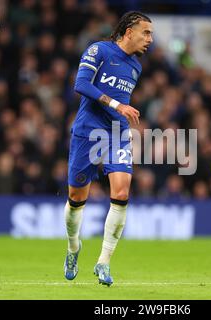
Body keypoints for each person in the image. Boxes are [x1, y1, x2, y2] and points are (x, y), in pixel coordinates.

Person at [63, 11, 153, 286]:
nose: (150, 39)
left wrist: (120, 111)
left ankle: (103, 262)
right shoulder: (98, 50)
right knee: (76, 199)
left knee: (122, 191)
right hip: (88, 132)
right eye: (146, 33)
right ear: (128, 32)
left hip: (117, 134)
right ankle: (73, 248)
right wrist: (117, 105)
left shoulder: (136, 66)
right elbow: (81, 85)